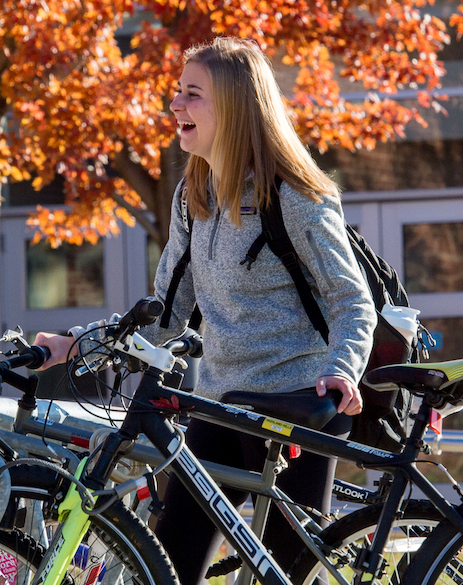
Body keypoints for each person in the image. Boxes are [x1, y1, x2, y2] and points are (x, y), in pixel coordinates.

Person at [36, 37, 377, 584]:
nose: (175, 105)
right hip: (221, 402)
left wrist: (342, 368)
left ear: (236, 106)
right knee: (169, 562)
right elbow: (164, 318)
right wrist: (74, 345)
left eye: (191, 94)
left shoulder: (292, 195)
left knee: (288, 572)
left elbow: (349, 298)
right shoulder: (193, 197)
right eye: (177, 92)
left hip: (299, 404)